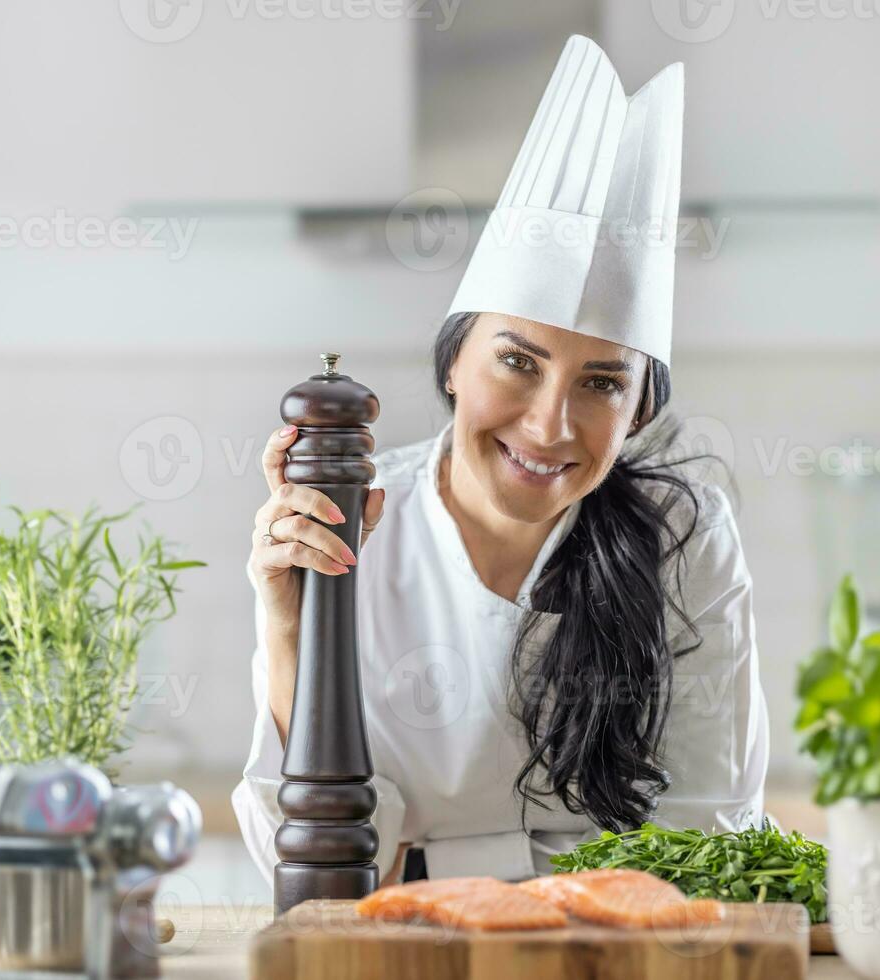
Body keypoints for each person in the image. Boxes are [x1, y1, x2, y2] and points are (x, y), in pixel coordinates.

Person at [233, 34, 769, 886]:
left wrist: (437, 866)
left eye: (601, 382)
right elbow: (314, 862)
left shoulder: (684, 536)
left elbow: (706, 844)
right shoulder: (351, 523)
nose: (551, 424)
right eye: (518, 361)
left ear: (638, 413)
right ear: (454, 361)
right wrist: (290, 622)